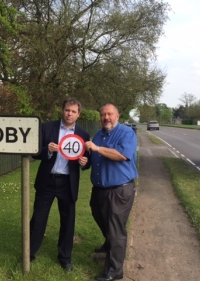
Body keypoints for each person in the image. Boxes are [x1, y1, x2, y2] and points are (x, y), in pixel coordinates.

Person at [30, 98, 90, 272]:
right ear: (62, 110)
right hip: (47, 180)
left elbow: (87, 160)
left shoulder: (83, 135)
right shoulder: (47, 127)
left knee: (68, 222)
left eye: (73, 111)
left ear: (78, 114)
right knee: (38, 219)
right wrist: (47, 150)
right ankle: (29, 253)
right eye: (67, 110)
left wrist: (85, 162)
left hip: (67, 183)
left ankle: (65, 258)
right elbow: (35, 152)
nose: (69, 114)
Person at [84, 103, 138, 281]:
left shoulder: (126, 133)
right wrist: (86, 162)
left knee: (116, 229)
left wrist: (97, 149)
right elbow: (94, 158)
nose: (106, 117)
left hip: (119, 190)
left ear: (117, 116)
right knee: (99, 216)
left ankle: (114, 271)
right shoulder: (99, 134)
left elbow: (121, 155)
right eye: (103, 115)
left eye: (109, 114)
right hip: (99, 189)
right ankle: (109, 244)